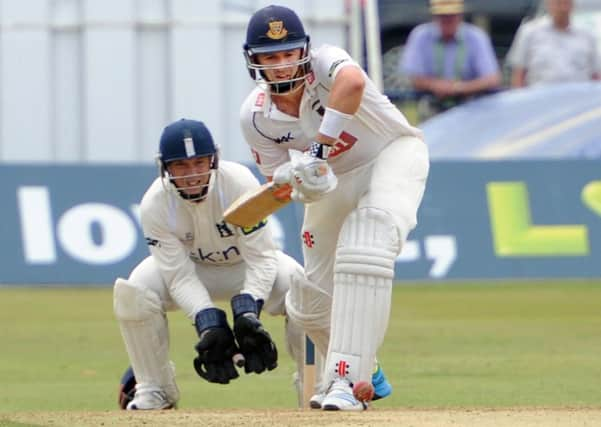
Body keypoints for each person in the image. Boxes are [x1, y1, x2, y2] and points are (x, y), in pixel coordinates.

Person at [239, 5, 429, 411]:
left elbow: (354, 83)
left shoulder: (327, 63)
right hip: (332, 181)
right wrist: (297, 184)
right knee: (308, 302)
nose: (282, 63)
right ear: (255, 62)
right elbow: (280, 184)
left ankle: (345, 378)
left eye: (289, 52)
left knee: (367, 244)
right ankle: (367, 368)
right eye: (271, 57)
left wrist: (317, 150)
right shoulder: (255, 117)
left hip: (391, 155)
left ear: (304, 51)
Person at [113, 118, 307, 410]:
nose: (192, 175)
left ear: (213, 160)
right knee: (135, 292)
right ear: (165, 167)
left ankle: (314, 385)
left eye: (199, 163)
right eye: (181, 166)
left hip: (247, 268)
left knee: (304, 289)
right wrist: (207, 323)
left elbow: (262, 256)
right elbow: (177, 276)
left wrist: (249, 310)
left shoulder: (238, 182)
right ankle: (154, 389)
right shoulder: (155, 204)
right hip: (194, 272)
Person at [400, 0, 501, 117]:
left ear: (460, 15)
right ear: (434, 16)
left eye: (451, 16)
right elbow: (413, 76)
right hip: (432, 108)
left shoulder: (476, 37)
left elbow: (492, 79)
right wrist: (434, 85)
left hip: (471, 108)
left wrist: (459, 88)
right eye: (443, 16)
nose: (447, 20)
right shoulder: (420, 35)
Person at [508, 0, 600, 87]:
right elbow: (518, 76)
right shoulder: (529, 33)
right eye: (558, 2)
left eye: (566, 2)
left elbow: (596, 77)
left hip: (578, 101)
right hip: (540, 100)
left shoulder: (587, 36)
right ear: (548, 3)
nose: (562, 8)